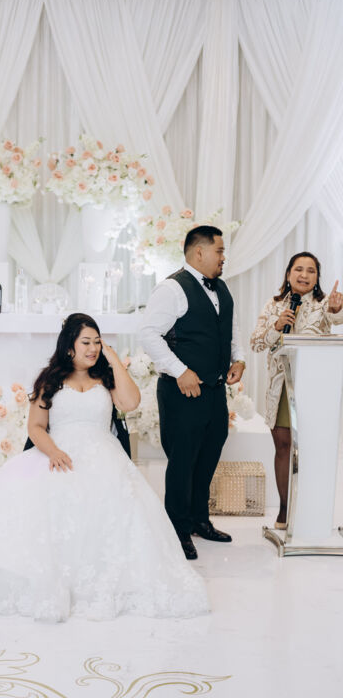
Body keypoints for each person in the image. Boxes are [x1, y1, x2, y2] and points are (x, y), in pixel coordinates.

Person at [0, 313, 208, 622]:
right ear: (69, 347)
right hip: (60, 455)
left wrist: (113, 360)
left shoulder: (105, 378)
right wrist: (53, 451)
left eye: (97, 342)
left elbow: (131, 402)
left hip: (105, 457)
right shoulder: (50, 381)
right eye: (86, 343)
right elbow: (36, 426)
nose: (93, 349)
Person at [140, 226, 245, 560]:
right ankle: (177, 530)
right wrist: (180, 371)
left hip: (215, 390)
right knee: (183, 462)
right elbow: (148, 334)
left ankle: (200, 520)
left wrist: (239, 358)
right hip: (181, 391)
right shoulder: (172, 288)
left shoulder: (222, 287)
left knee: (209, 454)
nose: (224, 257)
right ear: (199, 252)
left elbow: (230, 329)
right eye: (220, 251)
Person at [250, 252, 343, 529]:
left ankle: (310, 511)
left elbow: (336, 318)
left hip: (314, 387)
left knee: (312, 449)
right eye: (299, 269)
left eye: (311, 271)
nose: (304, 275)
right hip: (282, 387)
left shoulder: (324, 304)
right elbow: (256, 343)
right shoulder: (274, 304)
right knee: (283, 447)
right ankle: (284, 509)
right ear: (289, 273)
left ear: (317, 277)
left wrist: (336, 310)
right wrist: (276, 326)